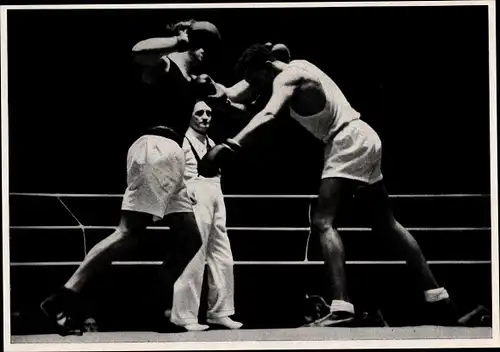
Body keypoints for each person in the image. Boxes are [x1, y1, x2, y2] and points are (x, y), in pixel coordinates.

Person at [198, 43, 460, 327]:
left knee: (323, 221)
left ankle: (341, 307)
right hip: (363, 136)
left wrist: (231, 145)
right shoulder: (287, 69)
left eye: (256, 79)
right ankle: (438, 295)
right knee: (386, 223)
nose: (255, 86)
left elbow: (269, 115)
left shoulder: (289, 78)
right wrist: (211, 89)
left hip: (347, 141)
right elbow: (235, 94)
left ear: (266, 68)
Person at [40, 19, 222, 336]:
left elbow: (232, 93)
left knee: (190, 238)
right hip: (155, 148)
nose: (206, 52)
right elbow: (138, 51)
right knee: (128, 232)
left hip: (172, 156)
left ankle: (151, 307)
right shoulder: (166, 62)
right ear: (189, 40)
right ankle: (61, 297)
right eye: (202, 43)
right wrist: (180, 41)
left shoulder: (192, 79)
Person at [167, 100, 242, 331]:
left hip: (215, 194)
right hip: (194, 194)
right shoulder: (182, 139)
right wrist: (181, 192)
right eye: (199, 113)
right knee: (195, 256)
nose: (205, 117)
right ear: (189, 116)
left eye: (209, 113)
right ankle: (185, 316)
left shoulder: (211, 142)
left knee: (223, 256)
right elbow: (172, 169)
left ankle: (220, 311)